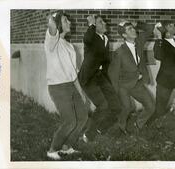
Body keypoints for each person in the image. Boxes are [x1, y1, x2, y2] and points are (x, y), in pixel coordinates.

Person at [44, 11, 88, 160]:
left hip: (71, 85)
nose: (70, 22)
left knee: (83, 117)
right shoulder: (52, 42)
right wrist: (53, 19)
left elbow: (73, 73)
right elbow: (51, 28)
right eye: (65, 20)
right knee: (70, 121)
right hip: (58, 87)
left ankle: (67, 146)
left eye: (68, 20)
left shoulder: (70, 47)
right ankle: (52, 150)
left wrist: (81, 93)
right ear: (58, 25)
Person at [78, 15, 121, 139]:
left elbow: (105, 60)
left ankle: (100, 128)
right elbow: (87, 38)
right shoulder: (91, 38)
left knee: (116, 105)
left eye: (104, 21)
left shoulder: (106, 38)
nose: (104, 23)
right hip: (88, 77)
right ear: (95, 27)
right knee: (103, 105)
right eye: (100, 22)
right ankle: (88, 134)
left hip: (100, 76)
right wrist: (91, 24)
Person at [108, 20, 155, 134]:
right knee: (127, 108)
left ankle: (138, 125)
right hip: (123, 85)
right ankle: (120, 128)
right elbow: (112, 73)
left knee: (151, 106)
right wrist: (115, 92)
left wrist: (138, 24)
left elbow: (150, 28)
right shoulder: (120, 52)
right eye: (129, 29)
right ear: (124, 35)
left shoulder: (139, 42)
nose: (133, 30)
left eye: (132, 28)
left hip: (137, 83)